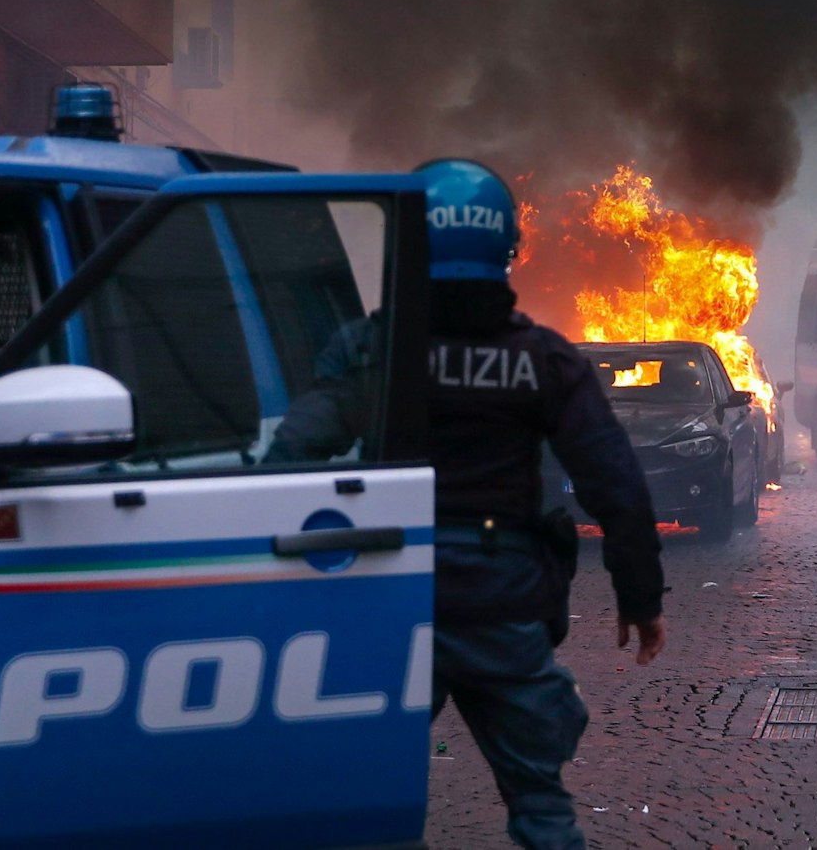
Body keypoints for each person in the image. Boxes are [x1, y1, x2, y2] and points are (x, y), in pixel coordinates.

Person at [278, 159, 666, 850]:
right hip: (503, 600)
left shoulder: (370, 351)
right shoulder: (544, 359)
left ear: (410, 245)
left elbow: (291, 456)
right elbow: (617, 485)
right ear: (509, 250)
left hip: (392, 599)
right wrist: (639, 598)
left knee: (367, 800)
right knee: (543, 808)